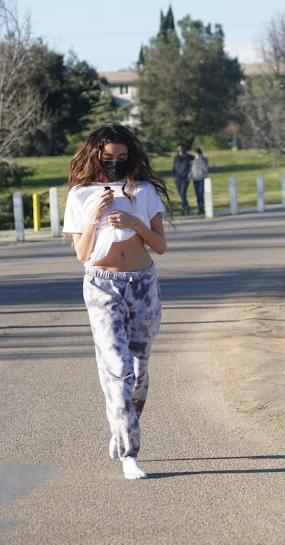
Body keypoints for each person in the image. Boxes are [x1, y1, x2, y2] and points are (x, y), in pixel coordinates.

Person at [63, 123, 171, 480]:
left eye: (122, 157)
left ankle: (121, 426)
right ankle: (129, 453)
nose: (114, 163)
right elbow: (82, 254)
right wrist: (94, 215)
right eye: (108, 158)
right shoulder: (81, 195)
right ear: (95, 155)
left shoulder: (143, 191)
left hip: (142, 285)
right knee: (117, 365)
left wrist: (133, 222)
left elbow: (159, 245)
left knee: (138, 371)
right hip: (101, 284)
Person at [172, 144, 193, 215]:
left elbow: (196, 160)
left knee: (182, 193)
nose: (180, 150)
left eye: (181, 148)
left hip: (185, 178)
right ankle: (187, 207)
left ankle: (183, 209)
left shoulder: (189, 157)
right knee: (180, 193)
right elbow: (174, 167)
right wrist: (174, 176)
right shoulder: (176, 157)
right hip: (177, 178)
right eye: (178, 149)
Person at [190, 147, 209, 215]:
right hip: (195, 179)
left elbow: (206, 169)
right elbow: (191, 169)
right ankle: (199, 208)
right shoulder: (193, 160)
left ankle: (202, 208)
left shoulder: (204, 159)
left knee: (200, 193)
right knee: (197, 194)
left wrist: (200, 160)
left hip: (202, 178)